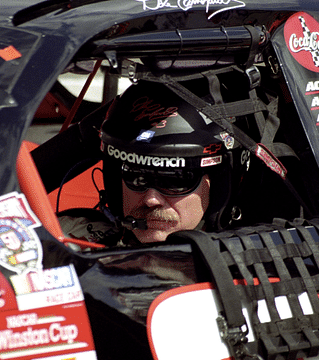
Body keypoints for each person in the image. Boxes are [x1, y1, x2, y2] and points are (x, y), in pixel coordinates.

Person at [59, 79, 252, 245]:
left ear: (218, 187)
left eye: (176, 180)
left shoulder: (257, 268)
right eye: (137, 177)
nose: (151, 200)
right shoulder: (68, 236)